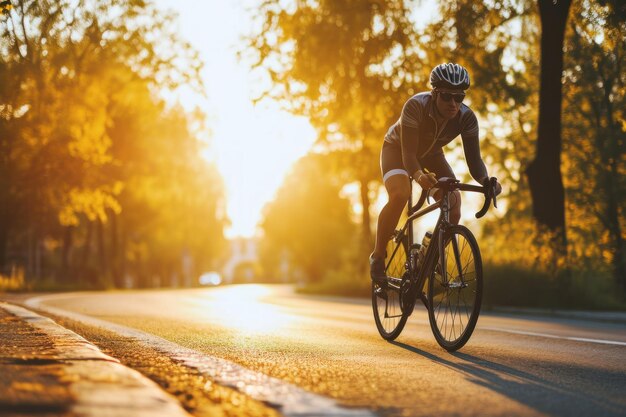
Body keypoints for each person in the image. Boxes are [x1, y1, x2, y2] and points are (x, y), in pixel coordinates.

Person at [370, 63, 501, 284]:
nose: (453, 104)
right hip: (398, 149)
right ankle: (377, 255)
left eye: (459, 98)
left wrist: (486, 180)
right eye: (447, 96)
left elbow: (475, 160)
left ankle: (426, 259)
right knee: (401, 194)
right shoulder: (415, 106)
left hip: (431, 153)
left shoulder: (467, 118)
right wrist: (420, 177)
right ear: (434, 94)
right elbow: (409, 156)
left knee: (454, 202)